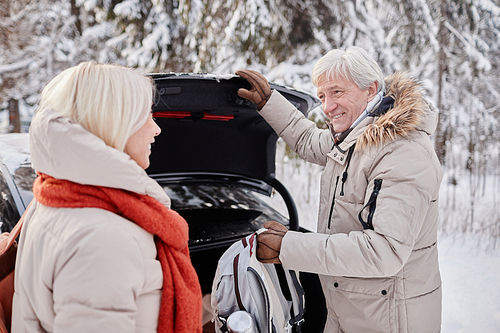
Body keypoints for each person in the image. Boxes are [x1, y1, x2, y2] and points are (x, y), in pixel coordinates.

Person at [236, 46, 443, 333]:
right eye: (322, 96)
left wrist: (289, 246)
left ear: (370, 90)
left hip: (388, 320)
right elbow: (309, 140)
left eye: (336, 92)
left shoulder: (403, 153)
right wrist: (269, 102)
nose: (327, 107)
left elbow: (383, 252)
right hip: (351, 311)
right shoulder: (355, 137)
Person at [12, 61, 203, 333]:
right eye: (147, 115)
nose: (156, 129)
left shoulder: (56, 196)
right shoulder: (104, 237)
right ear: (117, 121)